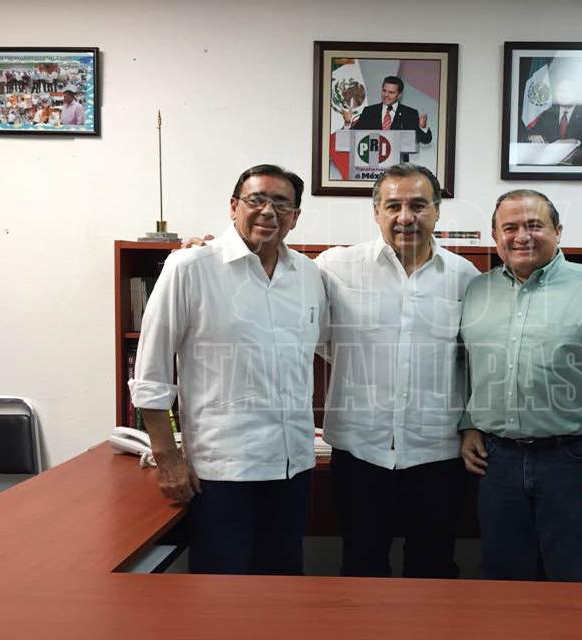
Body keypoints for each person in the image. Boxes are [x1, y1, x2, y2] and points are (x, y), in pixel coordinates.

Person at [129, 164, 328, 576]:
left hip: (292, 466)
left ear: (295, 217)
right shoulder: (190, 268)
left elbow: (322, 345)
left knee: (283, 587)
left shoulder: (308, 274)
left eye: (281, 203)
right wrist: (168, 458)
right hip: (223, 471)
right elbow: (150, 373)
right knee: (220, 592)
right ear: (234, 206)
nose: (268, 211)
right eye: (256, 199)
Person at [459, 189, 582, 581]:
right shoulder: (477, 290)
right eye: (509, 227)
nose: (521, 236)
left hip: (575, 462)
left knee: (575, 579)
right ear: (495, 236)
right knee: (502, 579)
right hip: (497, 461)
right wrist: (468, 423)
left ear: (558, 231)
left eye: (534, 225)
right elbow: (468, 366)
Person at [316, 163, 478, 578]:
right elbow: (283, 287)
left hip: (437, 453)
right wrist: (205, 252)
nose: (406, 217)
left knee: (433, 568)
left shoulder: (466, 278)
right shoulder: (334, 267)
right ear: (376, 212)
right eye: (393, 206)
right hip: (360, 450)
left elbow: (474, 361)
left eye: (418, 205)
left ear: (437, 211)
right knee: (362, 565)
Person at [525, 76, 582, 166]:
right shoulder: (547, 114)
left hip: (578, 167)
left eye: (569, 91)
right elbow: (530, 134)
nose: (564, 94)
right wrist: (532, 136)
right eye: (560, 91)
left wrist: (576, 143)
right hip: (550, 167)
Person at [342, 75, 432, 146]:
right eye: (384, 91)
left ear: (399, 95)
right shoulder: (369, 111)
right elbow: (352, 137)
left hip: (399, 163)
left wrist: (422, 127)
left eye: (391, 92)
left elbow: (425, 140)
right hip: (372, 161)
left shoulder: (409, 113)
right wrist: (347, 123)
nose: (386, 95)